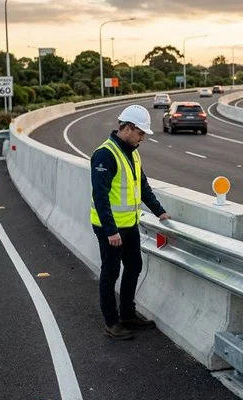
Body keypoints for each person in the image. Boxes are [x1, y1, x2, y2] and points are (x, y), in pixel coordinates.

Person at [90, 104, 170, 341]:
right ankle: (111, 322)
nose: (143, 138)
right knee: (111, 272)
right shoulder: (105, 154)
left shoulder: (132, 151)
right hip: (110, 228)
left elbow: (142, 185)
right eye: (141, 133)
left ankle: (127, 314)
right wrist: (110, 230)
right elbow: (100, 196)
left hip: (130, 224)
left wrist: (159, 211)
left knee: (134, 266)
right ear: (127, 128)